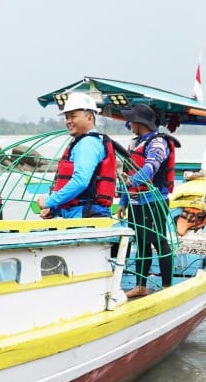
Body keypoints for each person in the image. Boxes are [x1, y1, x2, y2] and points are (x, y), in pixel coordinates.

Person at [118, 103, 180, 299]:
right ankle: (141, 285)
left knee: (159, 241)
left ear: (139, 123)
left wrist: (133, 181)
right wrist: (123, 201)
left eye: (131, 120)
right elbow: (128, 172)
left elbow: (150, 167)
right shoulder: (134, 143)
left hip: (154, 201)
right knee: (141, 243)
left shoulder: (158, 143)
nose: (129, 124)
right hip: (136, 202)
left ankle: (168, 285)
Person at [38, 92, 117, 219]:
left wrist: (50, 201)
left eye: (73, 116)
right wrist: (55, 209)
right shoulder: (85, 142)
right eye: (66, 117)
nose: (68, 121)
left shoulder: (87, 143)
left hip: (86, 216)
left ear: (89, 118)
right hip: (82, 213)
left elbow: (80, 181)